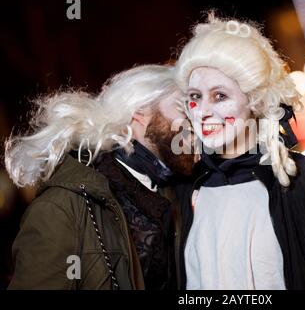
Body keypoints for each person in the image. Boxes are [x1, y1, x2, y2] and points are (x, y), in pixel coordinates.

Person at [174, 14, 305, 290]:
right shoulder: (186, 191)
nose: (203, 111)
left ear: (255, 100)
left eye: (219, 96)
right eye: (195, 97)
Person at [4, 64, 194, 289]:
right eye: (184, 108)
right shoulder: (63, 206)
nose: (196, 121)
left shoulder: (174, 194)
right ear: (140, 115)